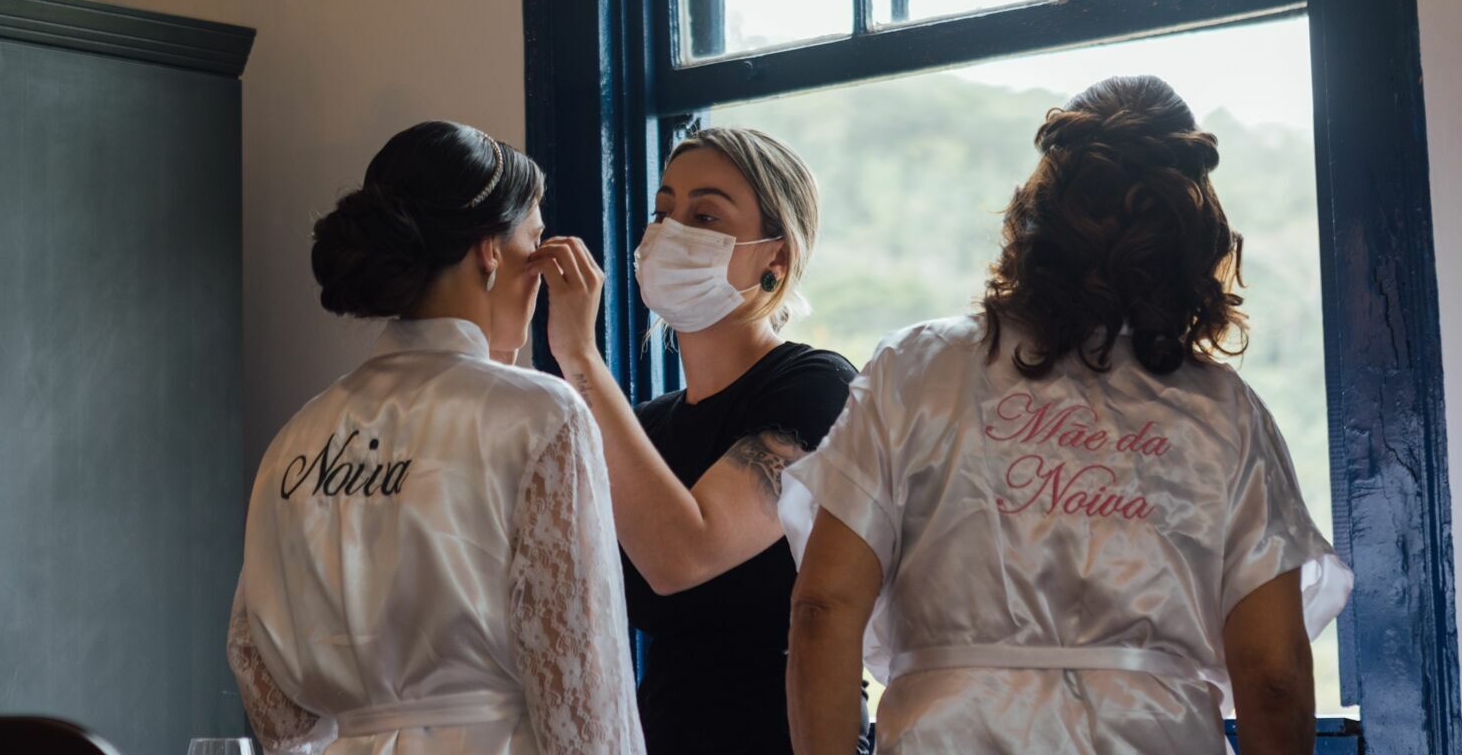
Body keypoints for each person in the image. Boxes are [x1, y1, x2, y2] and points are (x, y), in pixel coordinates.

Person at [782, 76, 1352, 755]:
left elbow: (824, 610)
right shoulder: (1226, 416)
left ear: (1038, 216)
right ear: (1189, 238)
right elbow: (1274, 676)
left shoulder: (915, 369)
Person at [227, 121, 643, 754]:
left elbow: (254, 663)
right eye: (536, 242)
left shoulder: (299, 434)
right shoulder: (540, 417)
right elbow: (581, 681)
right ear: (490, 252)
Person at [537, 127, 862, 755]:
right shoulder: (645, 428)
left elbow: (683, 554)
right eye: (664, 211)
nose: (671, 231)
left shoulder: (817, 386)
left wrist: (577, 352)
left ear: (777, 257)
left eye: (705, 214)